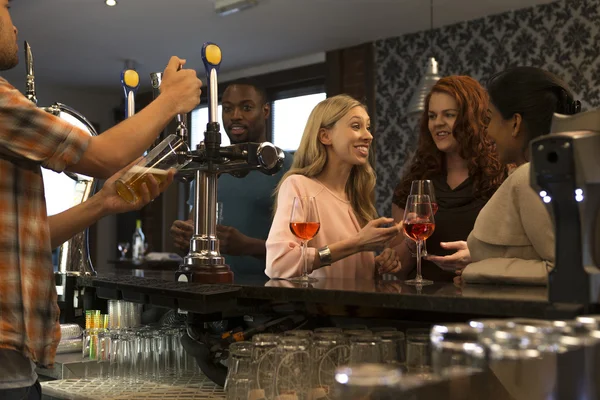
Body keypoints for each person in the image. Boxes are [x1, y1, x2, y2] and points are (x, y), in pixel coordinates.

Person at [0, 1, 202, 396]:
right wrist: (170, 100)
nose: (14, 27)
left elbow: (23, 240)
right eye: (6, 8)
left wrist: (102, 203)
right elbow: (101, 156)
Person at [428, 67, 579, 285]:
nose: (487, 131)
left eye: (490, 119)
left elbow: (563, 268)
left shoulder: (529, 176)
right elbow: (533, 252)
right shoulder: (549, 173)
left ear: (515, 124)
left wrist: (476, 270)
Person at [266, 94, 402, 280]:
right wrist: (357, 243)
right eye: (356, 126)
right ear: (325, 136)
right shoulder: (298, 185)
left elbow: (343, 271)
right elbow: (279, 264)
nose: (368, 136)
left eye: (368, 127)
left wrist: (375, 266)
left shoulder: (356, 196)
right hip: (320, 309)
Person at [170, 79, 293, 277]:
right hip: (213, 289)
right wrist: (185, 238)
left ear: (266, 111)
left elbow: (303, 249)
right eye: (227, 109)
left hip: (270, 294)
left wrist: (248, 246)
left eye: (246, 107)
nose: (235, 116)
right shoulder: (208, 167)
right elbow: (195, 229)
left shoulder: (287, 167)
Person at [391, 76, 506, 282]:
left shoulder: (502, 177)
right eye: (432, 116)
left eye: (449, 115)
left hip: (481, 299)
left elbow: (516, 253)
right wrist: (407, 244)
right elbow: (398, 269)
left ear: (471, 119)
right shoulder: (414, 183)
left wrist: (479, 259)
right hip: (421, 303)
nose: (438, 123)